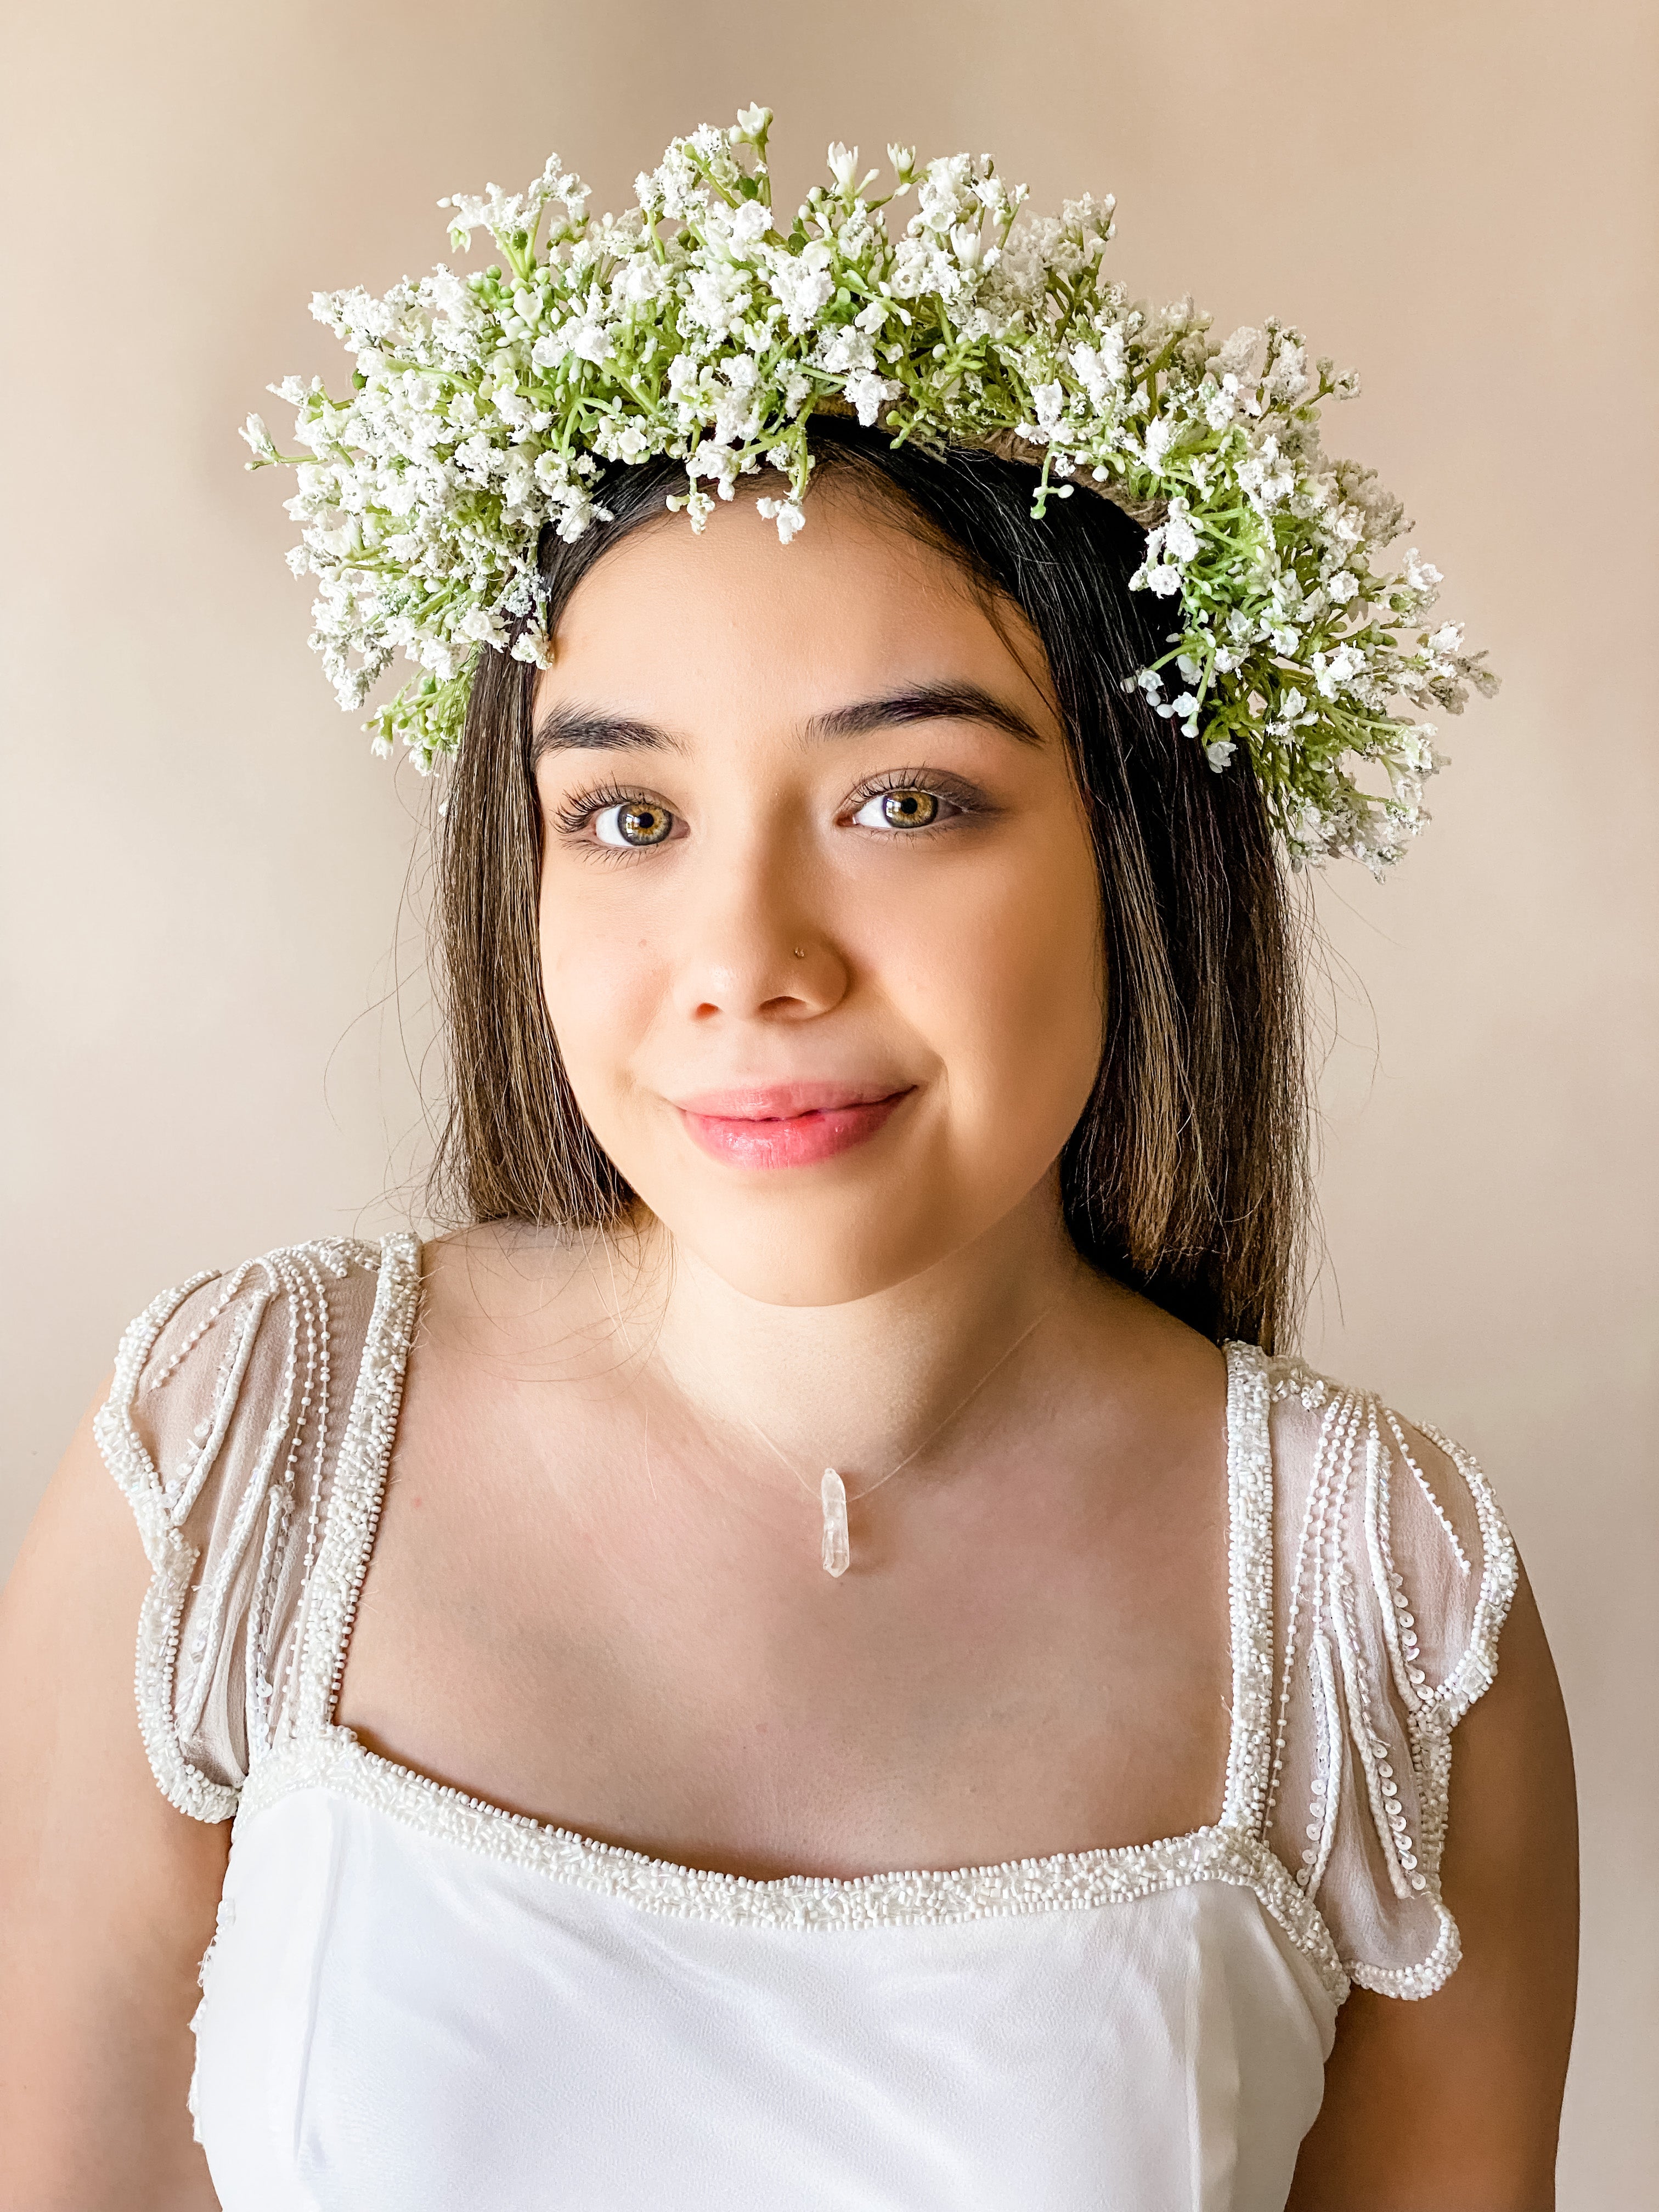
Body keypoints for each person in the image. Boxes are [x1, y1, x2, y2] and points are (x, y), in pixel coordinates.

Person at [0, 118, 1577, 2210]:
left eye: (906, 801)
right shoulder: (236, 1463)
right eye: (629, 817)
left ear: (1137, 848)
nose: (747, 960)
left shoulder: (1384, 1609)